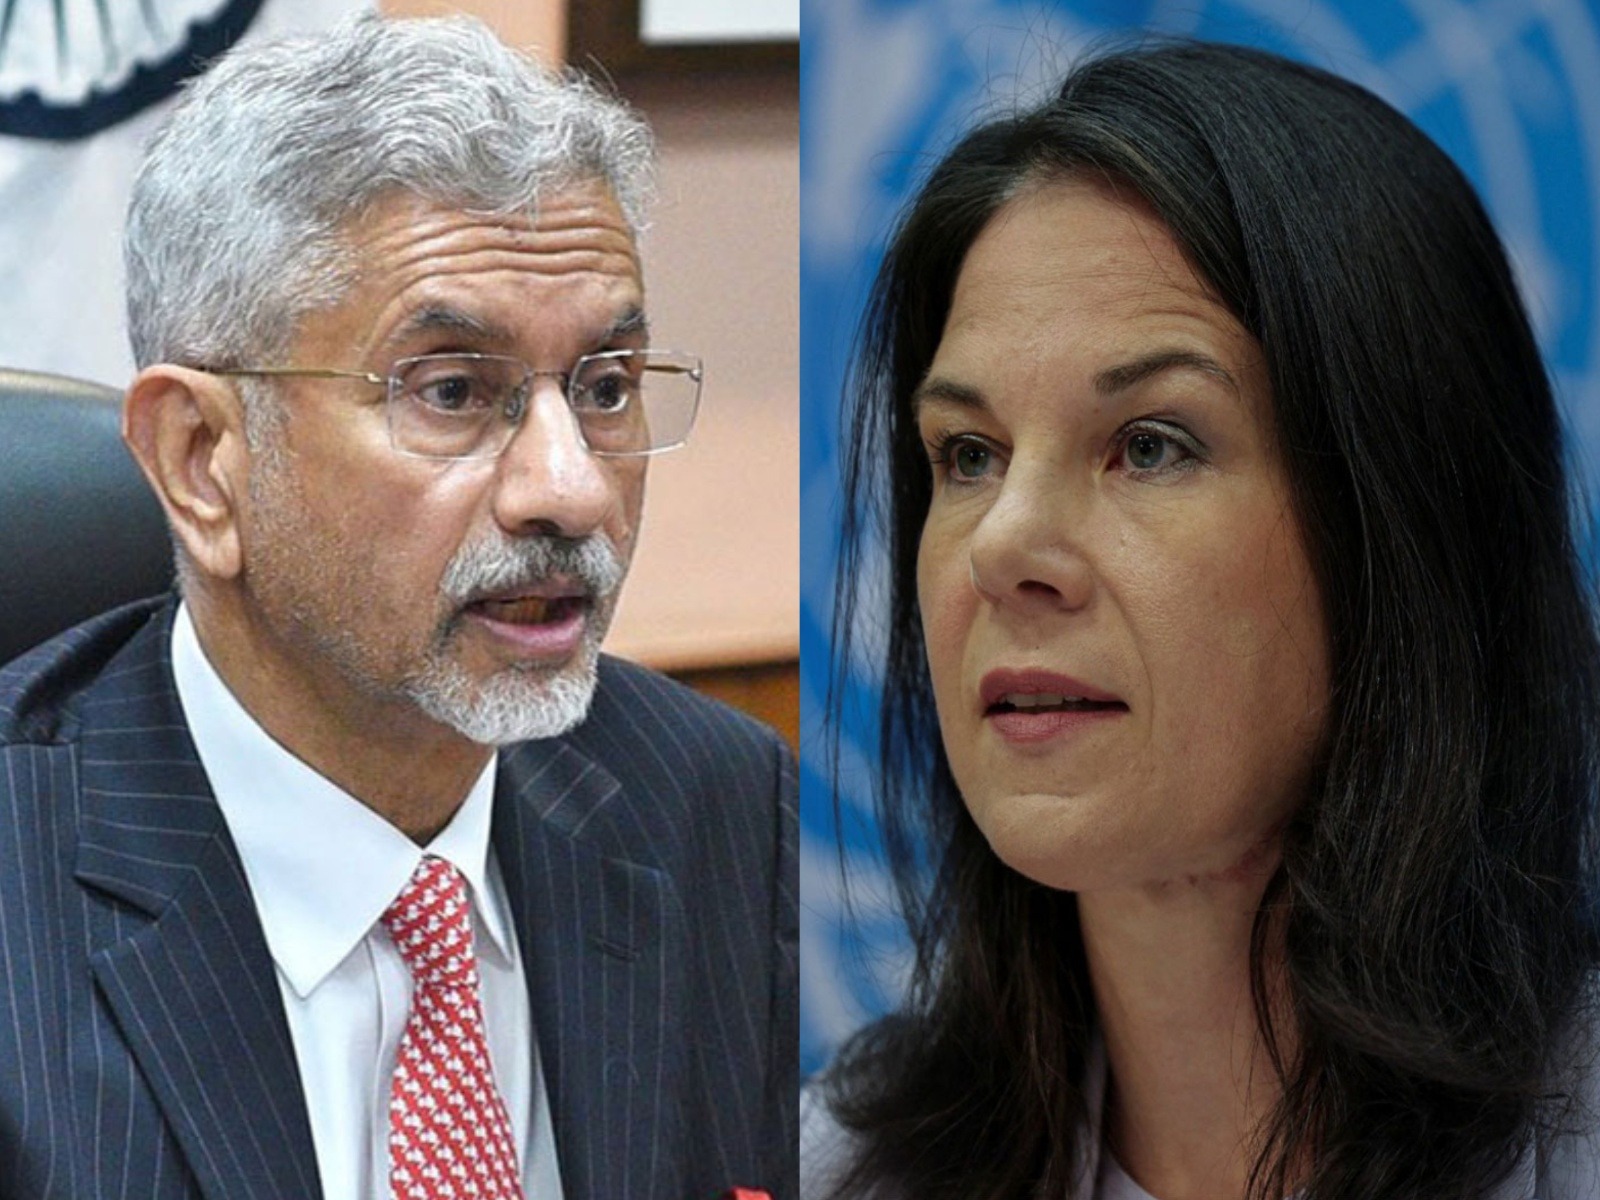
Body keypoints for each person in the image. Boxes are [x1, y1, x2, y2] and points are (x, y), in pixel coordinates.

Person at [0, 14, 795, 1200]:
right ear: (202, 459)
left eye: (608, 387)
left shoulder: (726, 809)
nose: (570, 489)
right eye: (454, 392)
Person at [804, 40, 1600, 1200]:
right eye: (966, 455)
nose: (1003, 547)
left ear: (1400, 533)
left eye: (1151, 445)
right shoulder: (831, 1171)